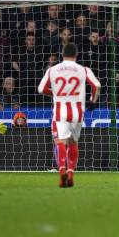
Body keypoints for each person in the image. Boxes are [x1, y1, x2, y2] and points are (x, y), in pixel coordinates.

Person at [37, 43, 101, 188]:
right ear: (76, 55)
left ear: (62, 54)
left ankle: (62, 173)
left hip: (61, 111)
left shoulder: (53, 70)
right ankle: (71, 174)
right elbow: (97, 85)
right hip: (78, 111)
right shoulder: (83, 69)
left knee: (60, 142)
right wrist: (92, 101)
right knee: (73, 143)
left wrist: (55, 92)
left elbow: (41, 89)